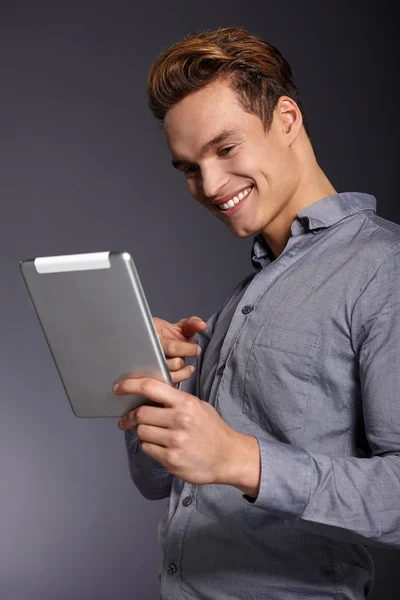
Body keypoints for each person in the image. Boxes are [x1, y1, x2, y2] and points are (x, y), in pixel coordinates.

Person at [114, 27, 400, 600]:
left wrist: (239, 458)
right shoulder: (244, 296)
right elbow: (160, 484)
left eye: (225, 148)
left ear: (287, 119)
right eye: (189, 168)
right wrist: (156, 393)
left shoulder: (383, 267)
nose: (211, 186)